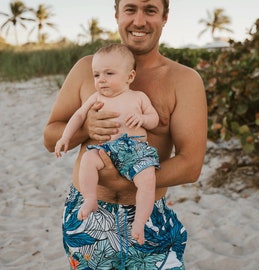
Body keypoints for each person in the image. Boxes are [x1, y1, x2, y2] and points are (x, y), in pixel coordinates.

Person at [44, 0, 207, 269]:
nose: (139, 21)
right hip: (88, 217)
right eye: (130, 9)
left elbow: (190, 166)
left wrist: (126, 180)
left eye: (150, 10)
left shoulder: (184, 80)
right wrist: (87, 128)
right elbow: (50, 138)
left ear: (165, 17)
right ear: (117, 15)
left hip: (149, 218)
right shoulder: (88, 70)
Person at [54, 43, 160, 245]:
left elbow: (154, 119)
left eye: (109, 73)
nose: (101, 80)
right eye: (96, 75)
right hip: (108, 150)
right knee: (88, 159)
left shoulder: (138, 97)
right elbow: (78, 116)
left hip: (136, 150)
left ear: (130, 76)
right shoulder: (97, 98)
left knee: (147, 180)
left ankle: (139, 223)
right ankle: (90, 198)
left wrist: (142, 119)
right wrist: (65, 137)